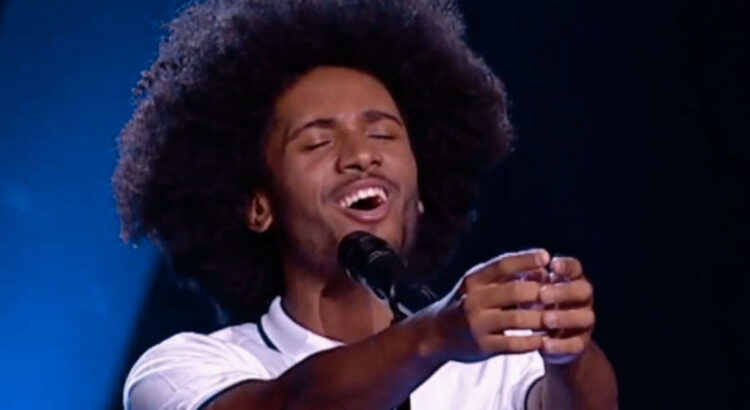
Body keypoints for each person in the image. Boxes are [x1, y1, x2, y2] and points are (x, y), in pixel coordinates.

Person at [113, 0, 618, 409]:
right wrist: (431, 336)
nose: (361, 156)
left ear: (421, 196)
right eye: (317, 141)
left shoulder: (496, 364)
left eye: (383, 134)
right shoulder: (183, 369)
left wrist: (567, 353)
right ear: (258, 207)